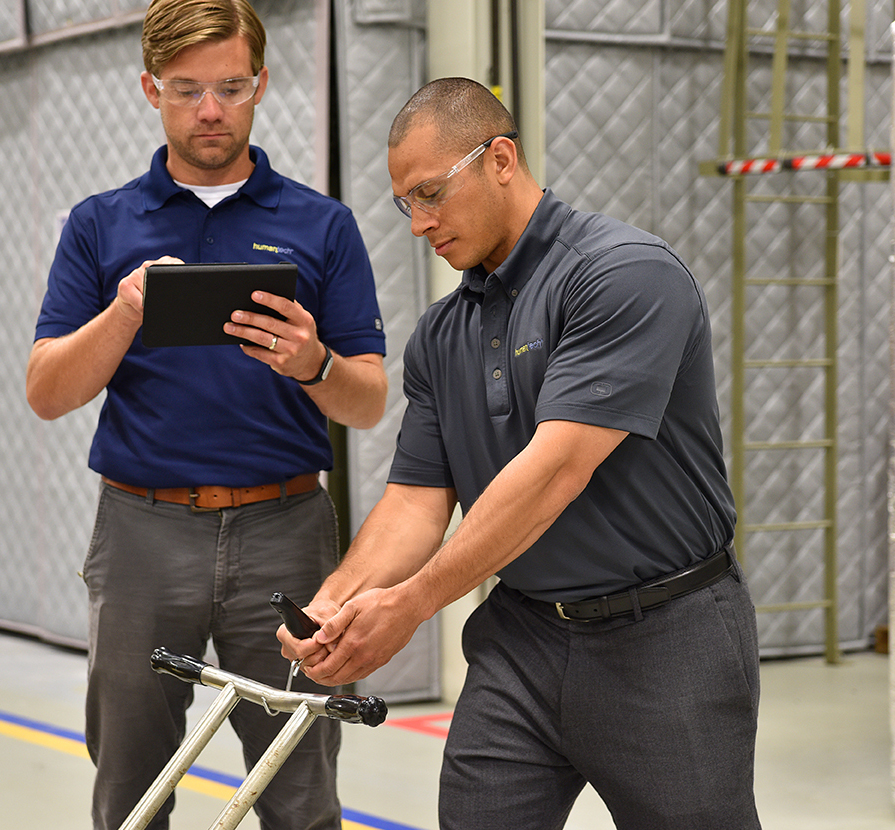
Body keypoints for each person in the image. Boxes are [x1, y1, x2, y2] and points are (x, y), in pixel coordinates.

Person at [278, 77, 761, 830]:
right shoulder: (441, 335)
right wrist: (337, 602)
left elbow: (556, 471)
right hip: (524, 639)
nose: (419, 223)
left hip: (665, 636)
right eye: (406, 202)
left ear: (500, 158)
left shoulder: (624, 275)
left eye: (432, 192)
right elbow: (415, 499)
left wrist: (411, 605)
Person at [26, 0, 387, 830]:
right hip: (142, 534)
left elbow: (367, 401)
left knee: (299, 787)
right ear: (151, 89)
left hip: (287, 533)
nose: (211, 111)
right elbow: (48, 391)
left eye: (230, 86)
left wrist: (314, 362)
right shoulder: (100, 226)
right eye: (187, 90)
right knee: (129, 789)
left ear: (261, 83)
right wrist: (122, 312)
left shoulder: (322, 225)